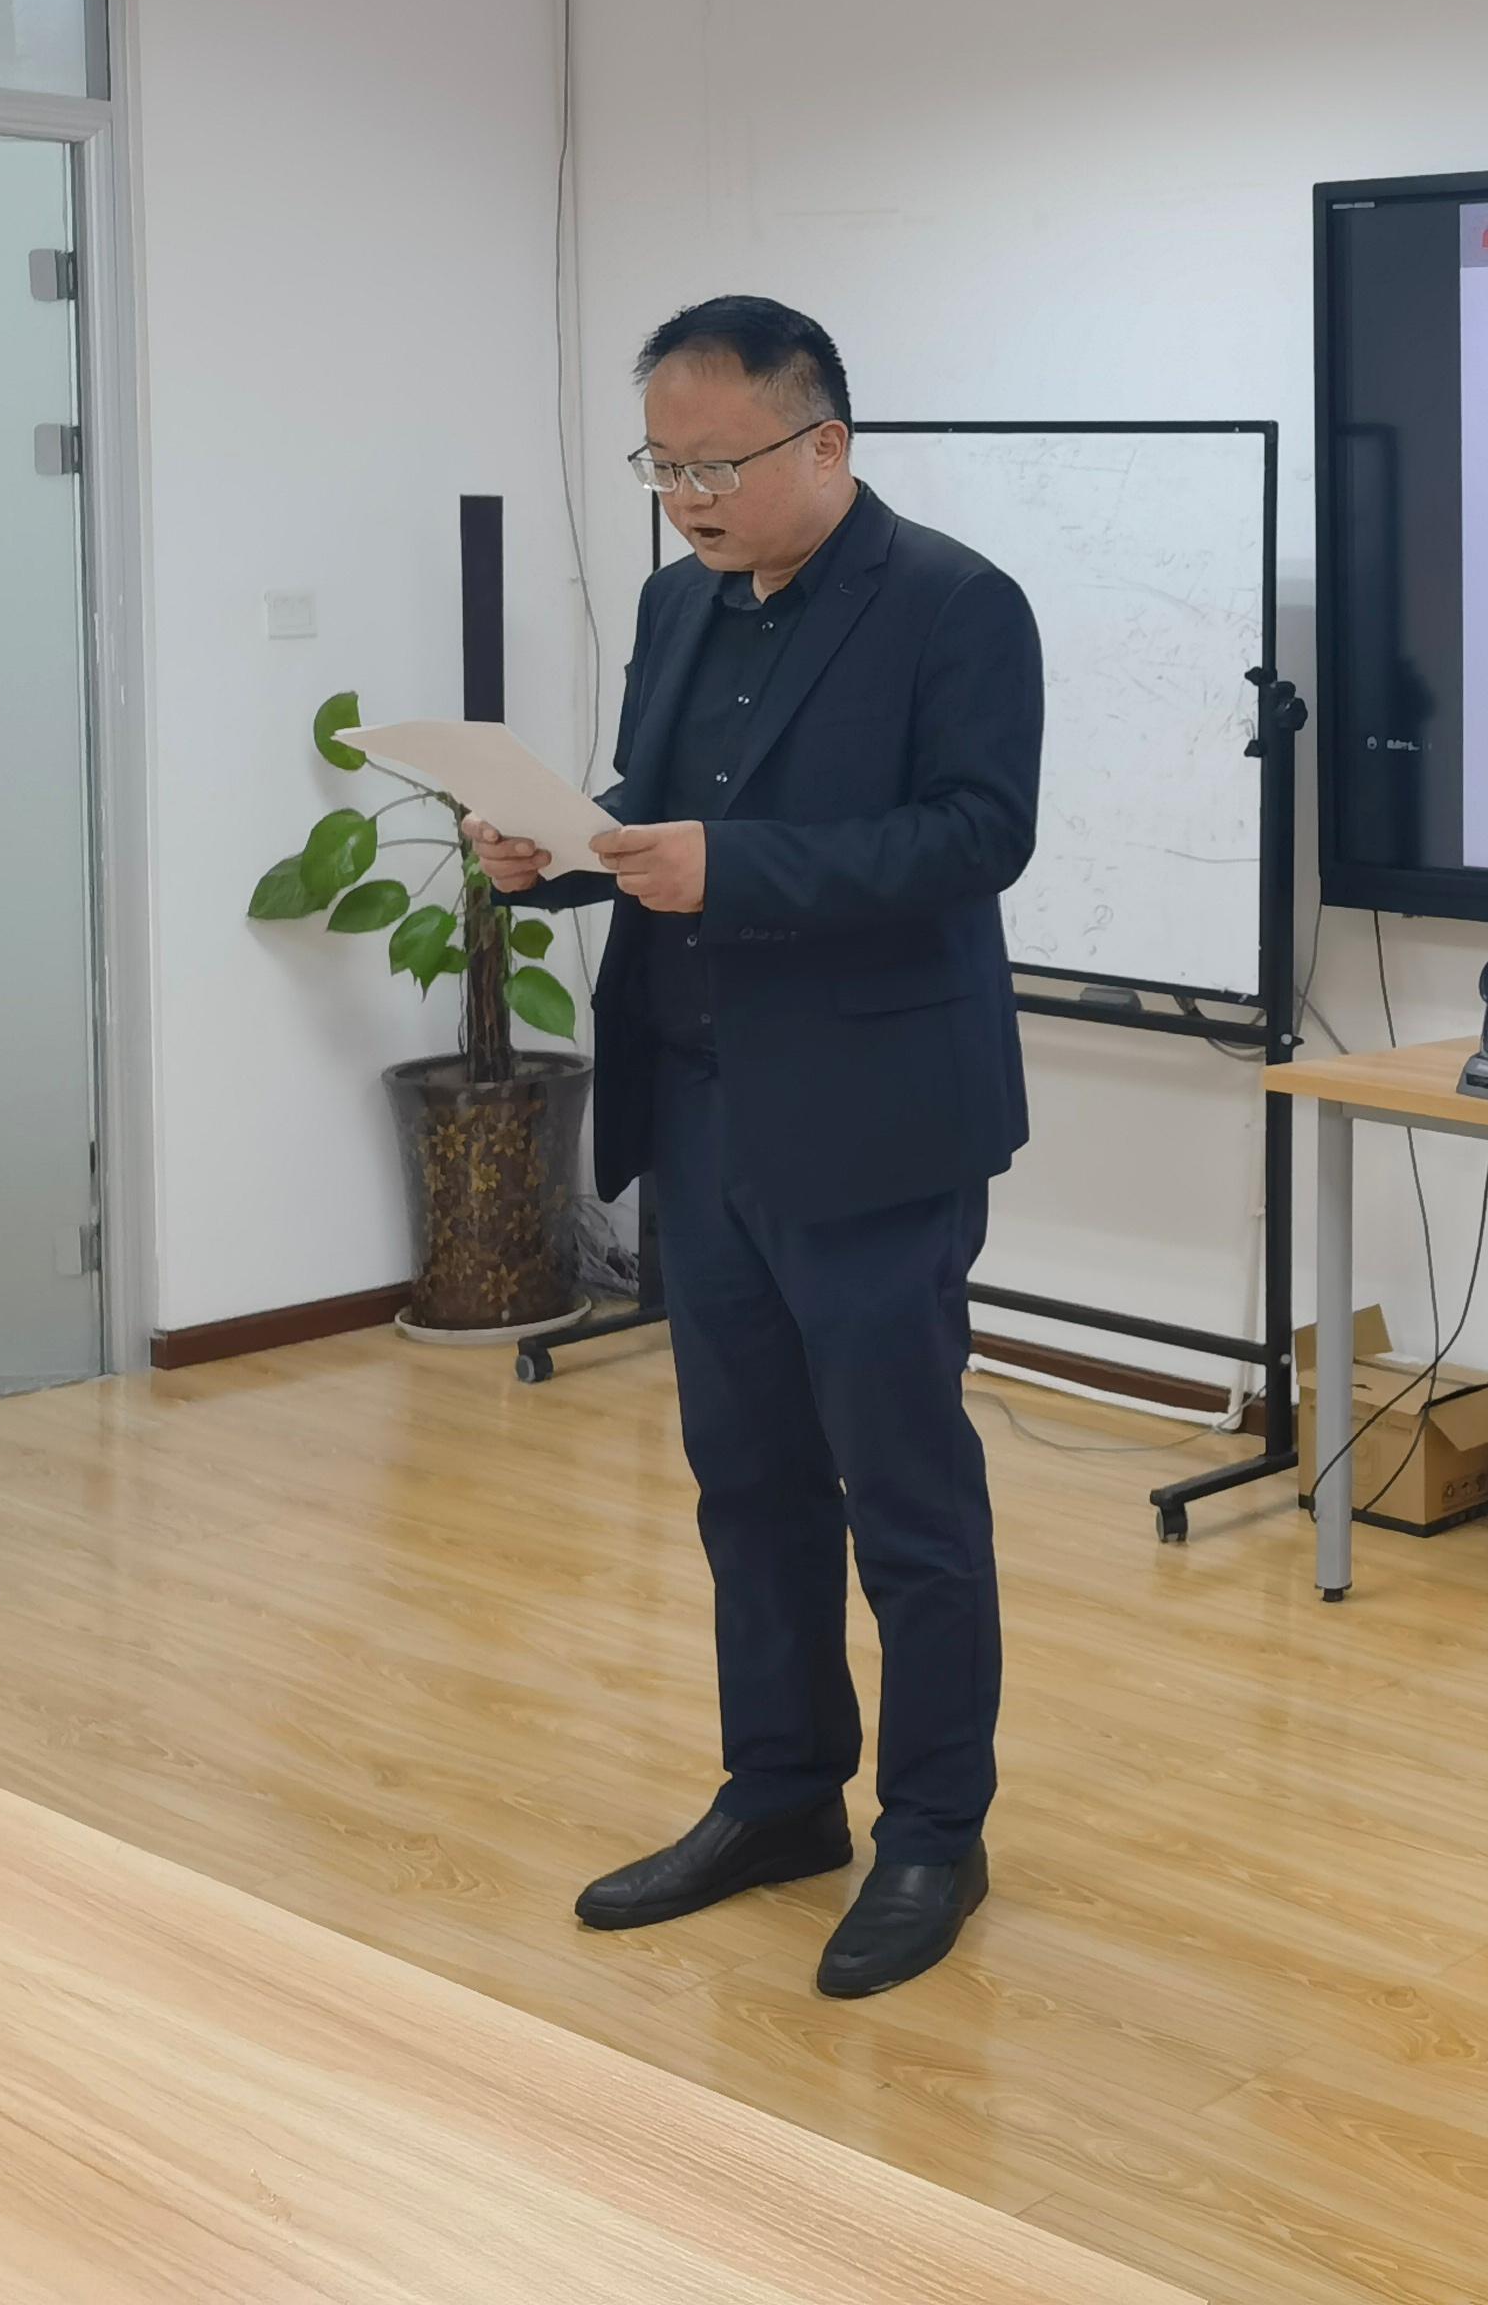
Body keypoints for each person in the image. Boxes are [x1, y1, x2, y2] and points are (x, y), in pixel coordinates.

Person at [471, 297, 1042, 2000]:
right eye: (662, 467)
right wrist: (555, 858)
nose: (688, 500)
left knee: (904, 1494)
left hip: (875, 1119)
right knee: (747, 1480)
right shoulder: (676, 602)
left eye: (715, 466)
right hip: (701, 1101)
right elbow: (659, 813)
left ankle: (934, 1829)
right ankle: (783, 1792)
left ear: (827, 441)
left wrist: (736, 869)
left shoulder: (953, 602)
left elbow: (978, 836)